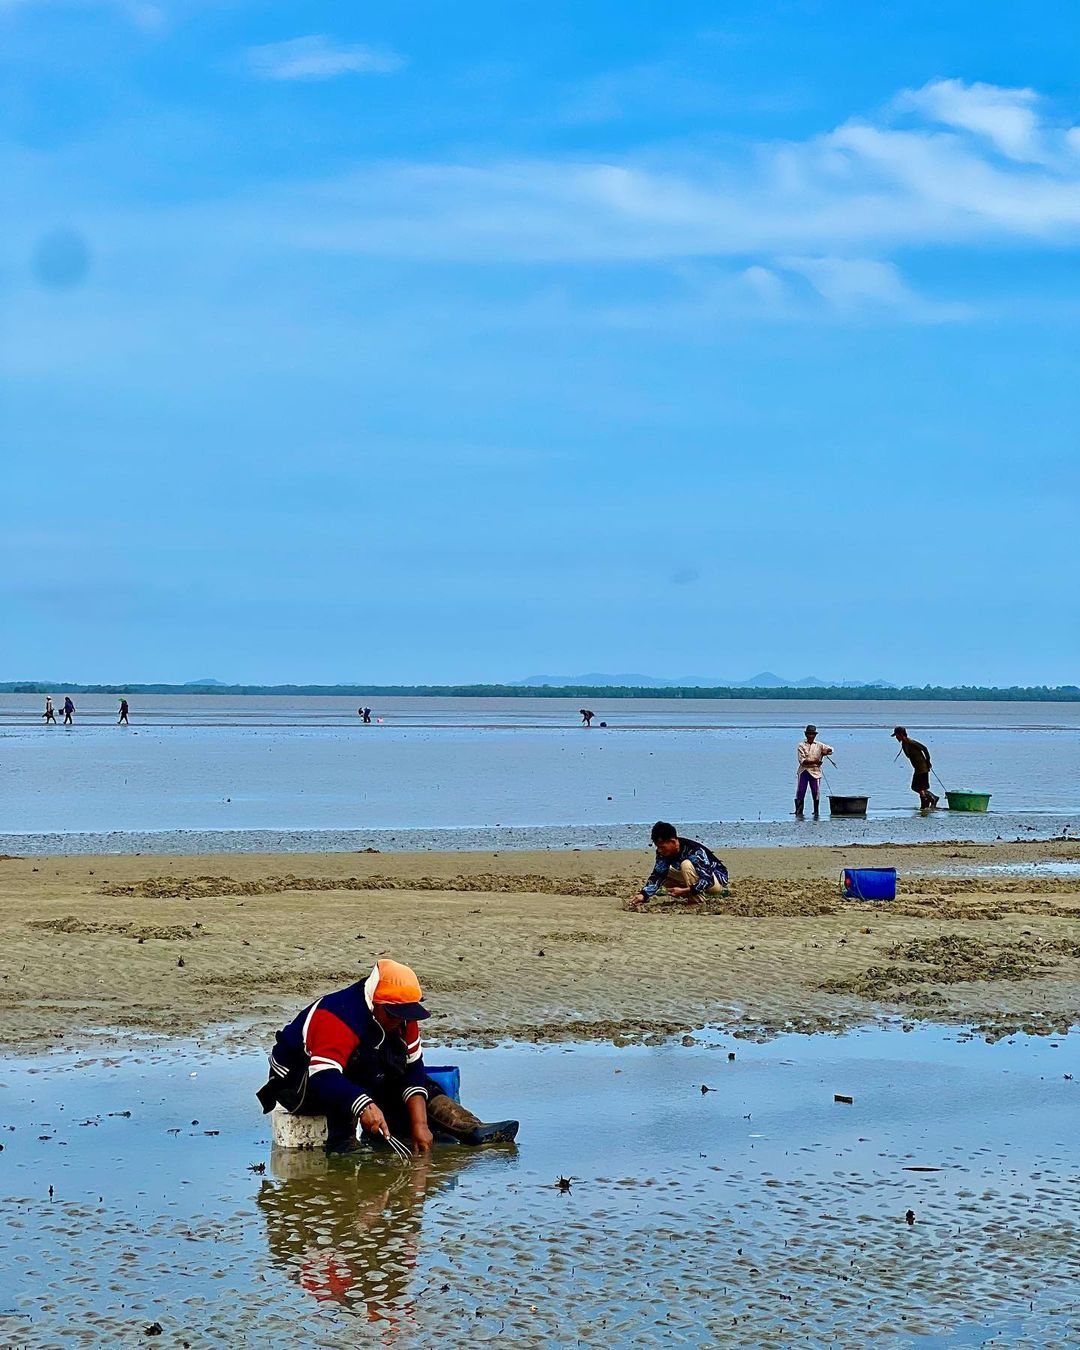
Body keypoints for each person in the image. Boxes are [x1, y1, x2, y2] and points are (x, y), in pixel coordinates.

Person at [257, 958, 519, 1154]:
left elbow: (413, 1068)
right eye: (394, 1015)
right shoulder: (338, 1016)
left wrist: (420, 1124)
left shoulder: (403, 1018)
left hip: (358, 1071)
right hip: (298, 1082)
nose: (401, 1022)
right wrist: (363, 1105)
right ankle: (343, 1145)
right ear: (378, 1004)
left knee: (421, 1083)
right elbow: (324, 1076)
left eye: (406, 1015)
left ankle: (471, 1128)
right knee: (356, 1073)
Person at [630, 821, 729, 908]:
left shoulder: (694, 851)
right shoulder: (663, 853)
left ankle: (696, 900)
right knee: (664, 872)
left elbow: (708, 880)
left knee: (686, 865)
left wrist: (684, 890)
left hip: (714, 882)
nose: (659, 850)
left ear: (673, 841)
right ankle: (688, 893)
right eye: (658, 847)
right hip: (694, 879)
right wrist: (644, 894)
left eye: (662, 847)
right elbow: (657, 875)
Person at [892, 726, 939, 809]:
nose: (896, 737)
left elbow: (924, 748)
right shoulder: (904, 744)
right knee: (916, 787)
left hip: (922, 767)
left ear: (901, 734)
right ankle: (927, 803)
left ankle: (931, 800)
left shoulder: (910, 742)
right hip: (917, 768)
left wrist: (928, 761)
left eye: (897, 735)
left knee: (919, 788)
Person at [795, 723, 833, 818]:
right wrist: (816, 762)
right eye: (809, 734)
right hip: (804, 771)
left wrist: (826, 752)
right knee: (801, 791)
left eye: (812, 734)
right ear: (806, 735)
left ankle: (816, 812)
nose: (811, 736)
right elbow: (802, 761)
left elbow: (831, 749)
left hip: (816, 772)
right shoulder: (801, 745)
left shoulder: (819, 745)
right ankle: (799, 811)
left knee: (816, 792)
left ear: (815, 735)